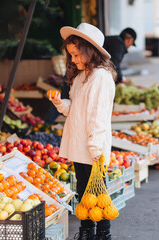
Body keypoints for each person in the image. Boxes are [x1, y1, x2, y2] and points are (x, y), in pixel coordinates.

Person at [48, 23, 116, 240]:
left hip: (92, 144)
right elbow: (75, 110)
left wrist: (95, 146)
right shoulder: (81, 76)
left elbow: (99, 115)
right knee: (84, 191)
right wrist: (60, 103)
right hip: (80, 142)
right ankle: (86, 231)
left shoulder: (101, 78)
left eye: (77, 55)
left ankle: (103, 233)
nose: (74, 60)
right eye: (71, 56)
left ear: (89, 51)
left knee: (98, 192)